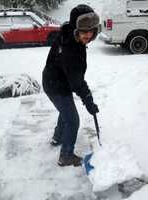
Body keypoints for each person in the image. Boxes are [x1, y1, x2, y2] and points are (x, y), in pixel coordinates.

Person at [42, 4, 100, 167]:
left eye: (91, 30)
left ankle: (57, 137)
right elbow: (77, 82)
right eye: (84, 31)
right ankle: (66, 155)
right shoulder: (70, 50)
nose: (88, 35)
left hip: (55, 80)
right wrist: (88, 101)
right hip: (56, 85)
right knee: (73, 120)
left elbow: (74, 78)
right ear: (76, 28)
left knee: (66, 112)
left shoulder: (68, 34)